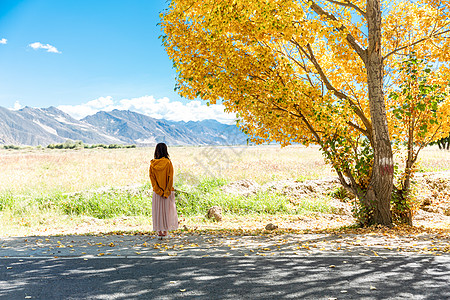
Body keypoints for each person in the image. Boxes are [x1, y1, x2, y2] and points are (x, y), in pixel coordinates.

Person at [149, 143, 178, 239]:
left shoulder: (152, 164)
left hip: (157, 193)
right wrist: (166, 192)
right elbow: (170, 178)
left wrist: (159, 191)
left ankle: (159, 231)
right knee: (166, 211)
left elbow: (152, 180)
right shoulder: (168, 163)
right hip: (167, 192)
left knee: (157, 212)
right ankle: (165, 231)